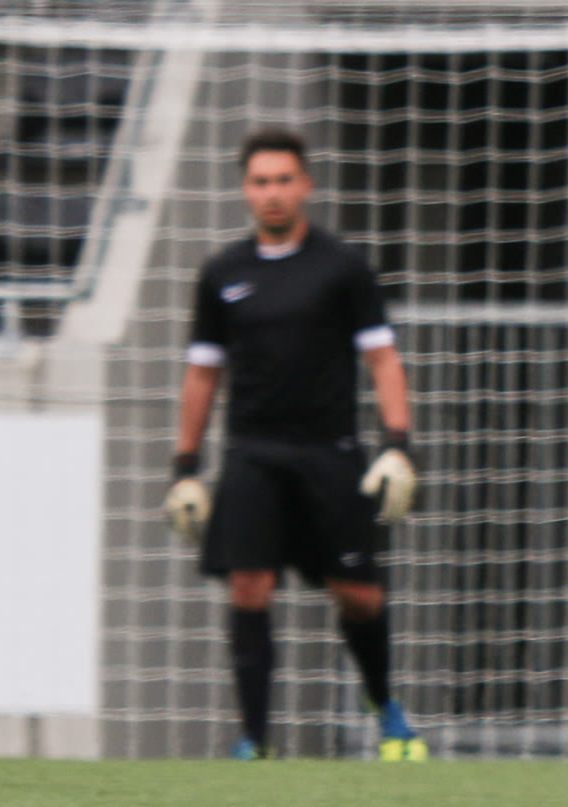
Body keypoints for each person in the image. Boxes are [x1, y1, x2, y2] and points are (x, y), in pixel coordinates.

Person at [164, 126, 426, 761]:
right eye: (260, 181)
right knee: (248, 587)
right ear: (245, 190)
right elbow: (202, 374)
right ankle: (254, 740)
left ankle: (384, 707)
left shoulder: (342, 267)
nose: (272, 192)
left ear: (305, 185)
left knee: (358, 595)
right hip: (253, 453)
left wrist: (398, 444)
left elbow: (383, 359)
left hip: (329, 452)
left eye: (283, 179)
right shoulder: (222, 273)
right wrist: (185, 466)